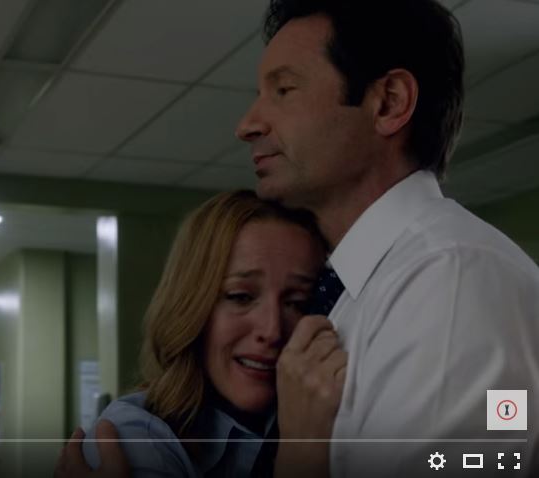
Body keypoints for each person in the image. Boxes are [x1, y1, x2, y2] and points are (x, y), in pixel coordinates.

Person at [59, 0, 539, 476]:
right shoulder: (354, 289)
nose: (247, 125)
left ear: (388, 102)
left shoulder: (451, 281)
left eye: (284, 90)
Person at [59, 189, 343, 477]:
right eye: (240, 297)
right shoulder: (132, 437)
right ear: (192, 306)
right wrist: (302, 452)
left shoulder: (330, 407)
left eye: (297, 303)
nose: (272, 331)